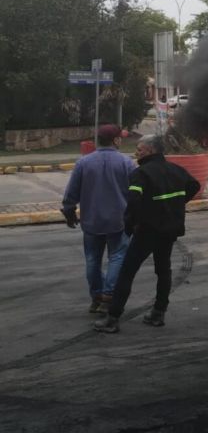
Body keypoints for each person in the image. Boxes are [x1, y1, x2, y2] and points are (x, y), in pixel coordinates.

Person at [93, 135, 201, 333]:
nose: (137, 152)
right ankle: (158, 314)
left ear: (151, 151)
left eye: (140, 149)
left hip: (147, 231)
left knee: (127, 272)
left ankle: (113, 318)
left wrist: (130, 225)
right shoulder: (176, 170)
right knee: (163, 270)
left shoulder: (141, 174)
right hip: (169, 230)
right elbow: (194, 185)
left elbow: (133, 202)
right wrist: (175, 205)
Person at [61, 124, 136, 314]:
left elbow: (71, 194)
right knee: (117, 257)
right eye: (120, 137)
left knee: (92, 260)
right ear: (116, 140)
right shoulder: (126, 163)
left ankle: (96, 296)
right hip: (118, 221)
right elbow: (135, 192)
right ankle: (108, 296)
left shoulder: (83, 163)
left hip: (91, 221)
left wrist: (69, 212)